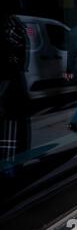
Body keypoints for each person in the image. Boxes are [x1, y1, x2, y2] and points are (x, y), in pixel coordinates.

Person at [0, 13, 30, 175]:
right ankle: (9, 167)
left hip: (8, 83)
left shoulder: (11, 25)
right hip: (9, 83)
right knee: (10, 127)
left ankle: (9, 168)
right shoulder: (12, 26)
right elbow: (20, 56)